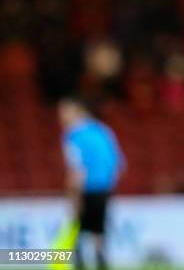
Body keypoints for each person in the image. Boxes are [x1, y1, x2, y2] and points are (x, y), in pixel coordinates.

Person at [59, 97, 125, 270]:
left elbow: (77, 169)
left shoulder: (73, 135)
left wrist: (74, 196)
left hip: (85, 189)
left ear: (77, 111)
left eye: (64, 111)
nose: (61, 117)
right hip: (104, 188)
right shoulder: (103, 130)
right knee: (99, 232)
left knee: (77, 230)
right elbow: (118, 163)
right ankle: (101, 263)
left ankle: (79, 263)